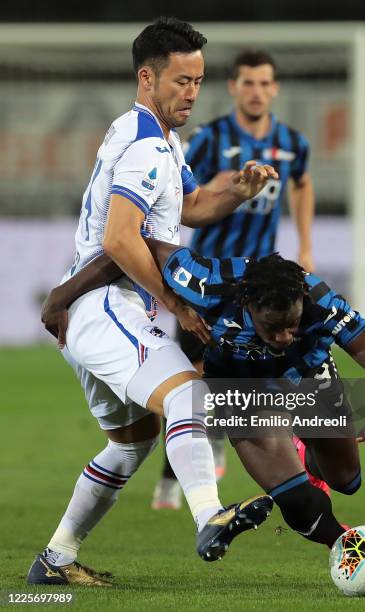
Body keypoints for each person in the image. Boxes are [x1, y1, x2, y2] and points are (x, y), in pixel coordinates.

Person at [27, 17, 279, 588]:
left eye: (198, 80)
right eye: (181, 81)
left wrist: (238, 191)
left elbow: (186, 207)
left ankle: (55, 561)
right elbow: (121, 239)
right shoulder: (144, 144)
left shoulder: (159, 136)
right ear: (147, 77)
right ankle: (209, 515)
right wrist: (178, 304)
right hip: (105, 302)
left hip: (95, 309)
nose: (192, 92)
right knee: (189, 394)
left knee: (130, 442)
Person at [41, 237, 365, 554]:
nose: (283, 336)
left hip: (310, 383)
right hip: (240, 391)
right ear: (248, 307)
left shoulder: (321, 302)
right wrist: (63, 295)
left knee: (346, 480)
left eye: (292, 325)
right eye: (272, 327)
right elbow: (138, 248)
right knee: (299, 503)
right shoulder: (208, 281)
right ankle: (349, 550)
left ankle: (304, 446)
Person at [153, 49, 316, 509]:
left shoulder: (292, 142)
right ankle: (170, 478)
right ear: (233, 87)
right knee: (190, 379)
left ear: (275, 88)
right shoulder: (208, 139)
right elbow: (189, 195)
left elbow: (301, 183)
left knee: (264, 371)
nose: (257, 92)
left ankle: (274, 461)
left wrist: (304, 243)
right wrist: (228, 185)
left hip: (263, 286)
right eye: (248, 83)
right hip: (208, 281)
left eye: (265, 83)